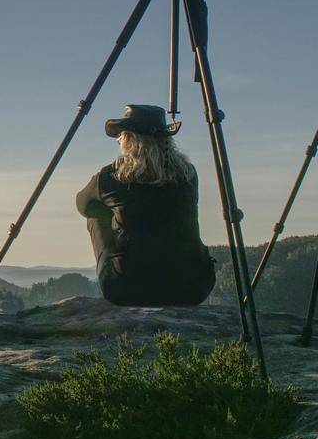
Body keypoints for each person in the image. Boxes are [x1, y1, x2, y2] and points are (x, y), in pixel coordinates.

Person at [76, 103, 216, 307]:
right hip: (192, 287)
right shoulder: (188, 174)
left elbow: (83, 205)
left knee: (96, 215)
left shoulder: (111, 177)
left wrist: (116, 212)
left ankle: (123, 263)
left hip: (128, 288)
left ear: (129, 140)